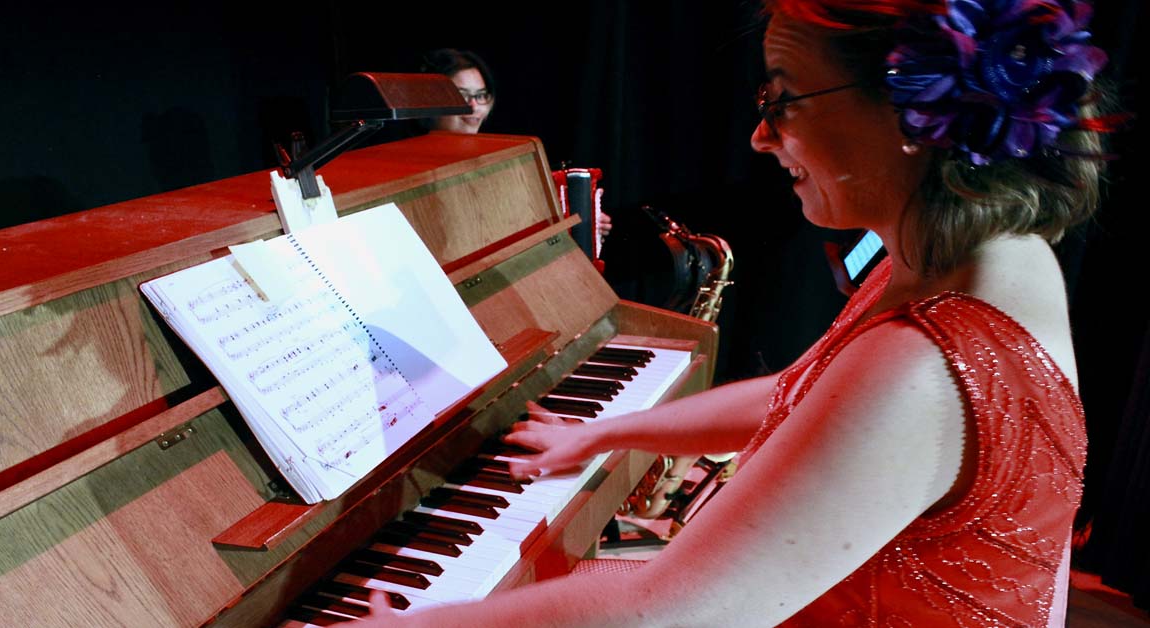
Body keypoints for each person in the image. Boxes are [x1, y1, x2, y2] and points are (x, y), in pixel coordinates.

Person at [336, 0, 1113, 624]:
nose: (760, 135)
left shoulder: (924, 359)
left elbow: (665, 611)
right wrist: (609, 429)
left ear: (912, 114)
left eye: (783, 99)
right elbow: (807, 396)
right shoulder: (988, 257)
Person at [420, 47, 613, 239]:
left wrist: (582, 226)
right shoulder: (414, 165)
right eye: (462, 95)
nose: (474, 106)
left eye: (480, 95)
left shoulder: (501, 163)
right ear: (429, 98)